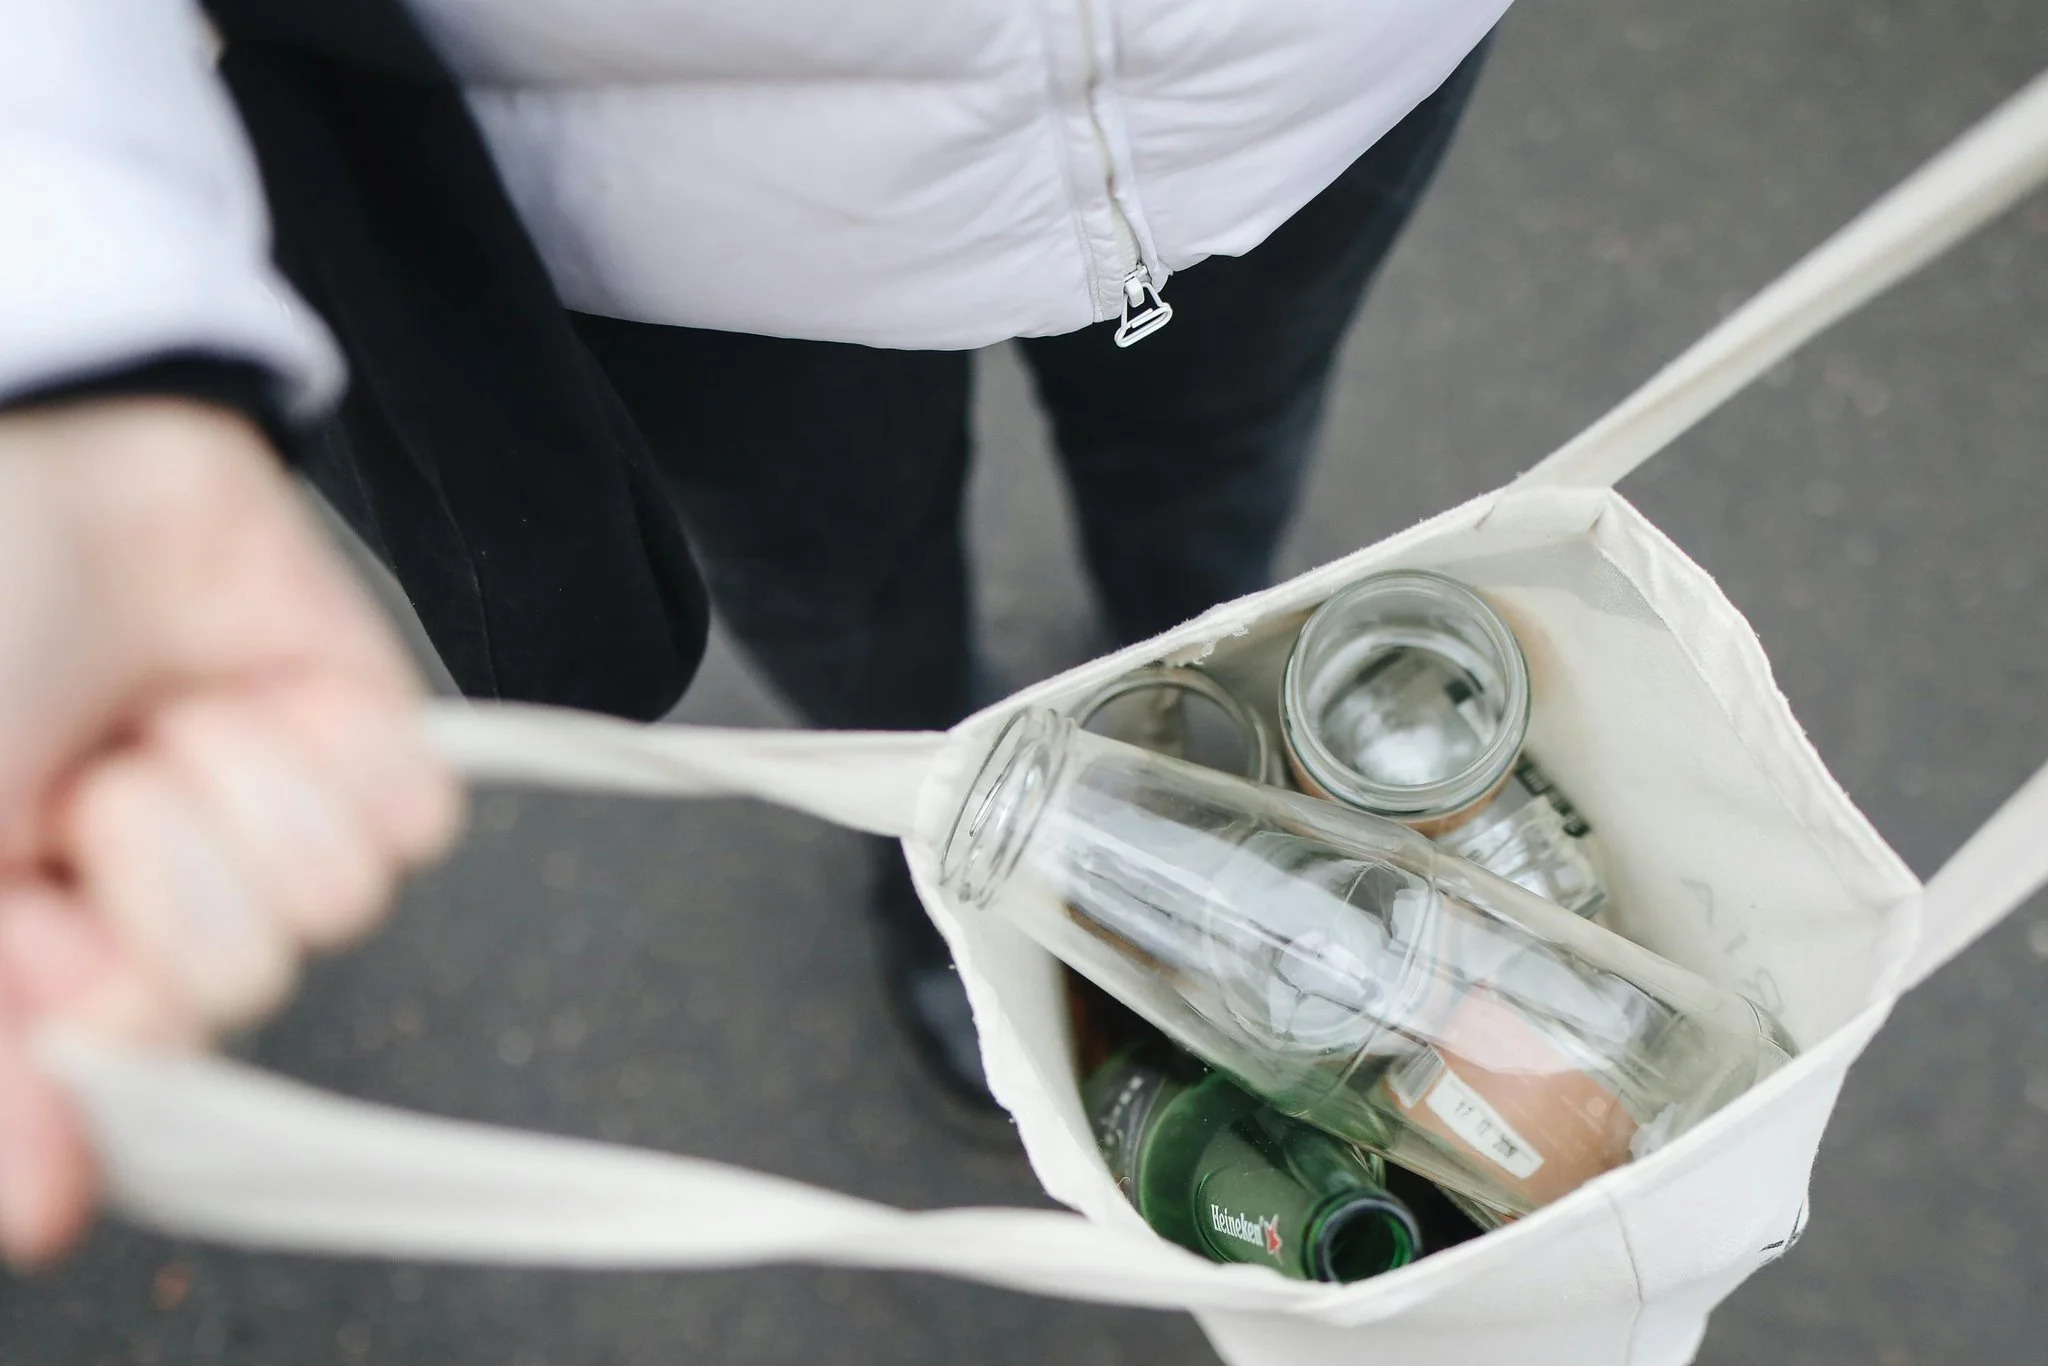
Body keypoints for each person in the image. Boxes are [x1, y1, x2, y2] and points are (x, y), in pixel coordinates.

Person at [0, 0, 1504, 1263]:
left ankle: (1210, 720)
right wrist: (73, 310)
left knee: (1220, 484)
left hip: (1310, 75)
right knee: (844, 594)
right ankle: (936, 826)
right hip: (682, 187)